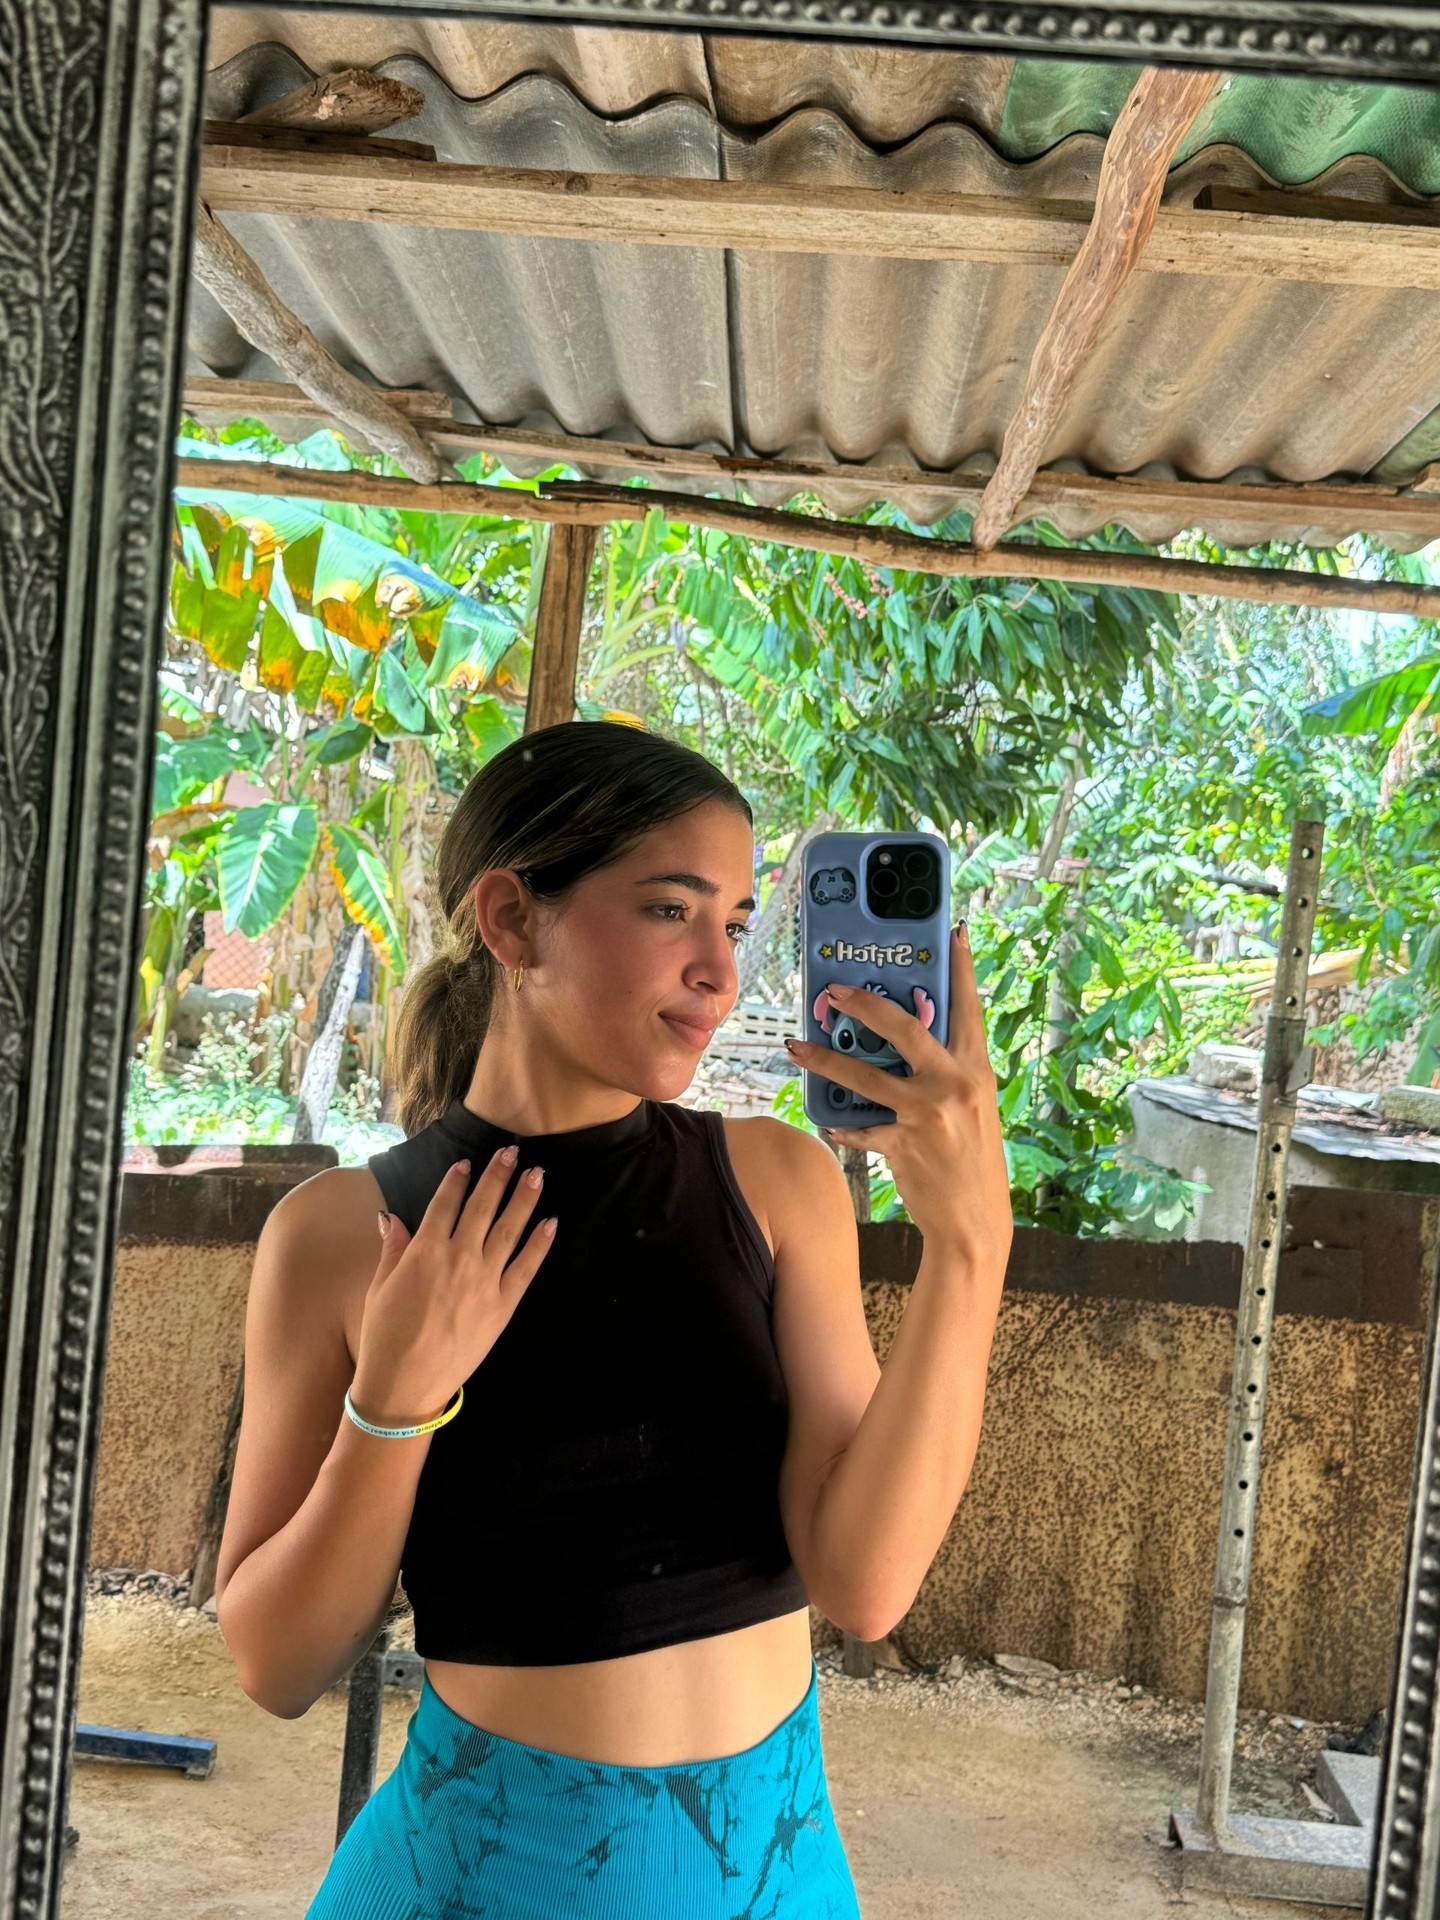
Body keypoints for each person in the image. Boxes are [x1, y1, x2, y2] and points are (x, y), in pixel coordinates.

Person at [214, 721, 1013, 1919]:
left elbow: (864, 1586)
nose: (720, 971)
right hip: (480, 1888)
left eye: (734, 924)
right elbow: (276, 1665)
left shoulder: (776, 1183)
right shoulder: (345, 1236)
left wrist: (970, 1247)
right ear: (510, 918)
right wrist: (394, 1405)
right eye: (669, 911)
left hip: (776, 1877)